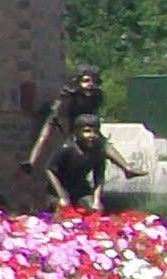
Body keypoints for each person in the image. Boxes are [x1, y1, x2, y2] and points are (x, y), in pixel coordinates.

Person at [28, 69, 137, 209]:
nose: (90, 85)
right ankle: (31, 160)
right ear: (77, 83)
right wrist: (71, 136)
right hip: (61, 123)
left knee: (102, 143)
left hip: (83, 124)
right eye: (86, 81)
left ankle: (126, 167)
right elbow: (63, 119)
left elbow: (99, 175)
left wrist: (96, 200)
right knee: (42, 138)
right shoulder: (68, 98)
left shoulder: (94, 97)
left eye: (92, 81)